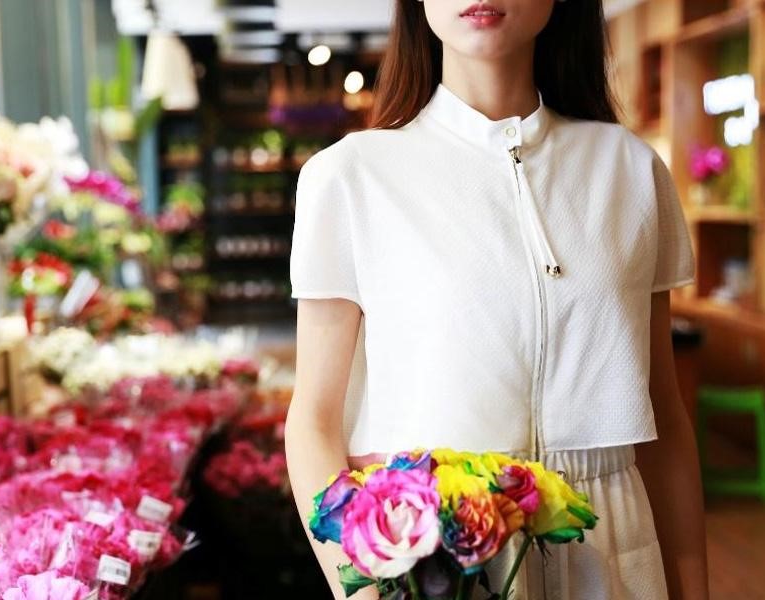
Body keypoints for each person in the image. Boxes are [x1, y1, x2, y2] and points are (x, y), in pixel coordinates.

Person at [284, 1, 709, 598]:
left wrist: (692, 586)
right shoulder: (350, 176)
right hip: (439, 565)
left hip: (616, 560)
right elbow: (313, 420)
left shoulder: (631, 170)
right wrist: (362, 592)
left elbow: (662, 418)